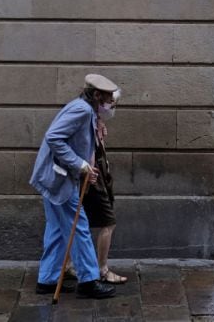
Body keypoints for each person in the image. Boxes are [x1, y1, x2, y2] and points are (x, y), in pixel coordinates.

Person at [29, 73, 118, 300]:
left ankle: (47, 279)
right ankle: (89, 280)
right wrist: (80, 164)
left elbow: (77, 142)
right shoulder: (82, 110)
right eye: (108, 99)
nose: (110, 104)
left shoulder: (85, 110)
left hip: (52, 177)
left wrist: (87, 164)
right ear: (97, 96)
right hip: (59, 179)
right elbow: (54, 137)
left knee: (58, 230)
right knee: (79, 226)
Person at [82, 87, 127, 284]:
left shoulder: (94, 119)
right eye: (111, 103)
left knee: (81, 225)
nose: (112, 108)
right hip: (93, 177)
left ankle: (69, 266)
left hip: (99, 175)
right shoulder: (85, 117)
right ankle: (102, 269)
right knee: (108, 223)